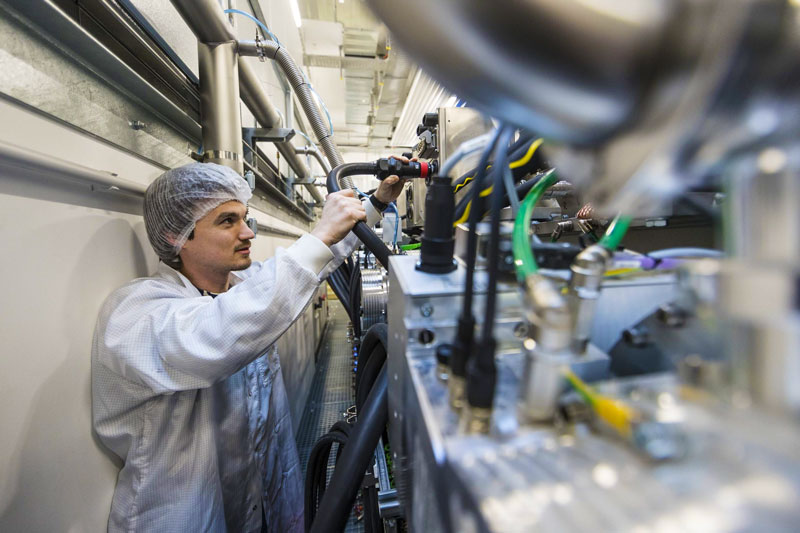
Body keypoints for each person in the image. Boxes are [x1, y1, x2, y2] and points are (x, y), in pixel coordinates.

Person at [91, 160, 408, 532]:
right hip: (179, 514)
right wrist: (318, 234)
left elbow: (316, 265)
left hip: (253, 500)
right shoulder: (136, 314)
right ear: (177, 235)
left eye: (245, 218)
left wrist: (375, 205)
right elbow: (217, 334)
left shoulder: (240, 287)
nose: (248, 233)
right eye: (227, 221)